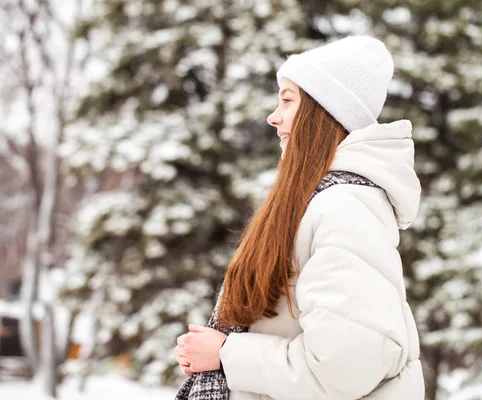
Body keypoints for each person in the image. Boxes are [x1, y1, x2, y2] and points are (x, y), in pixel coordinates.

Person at [174, 35, 424, 400]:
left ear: (323, 113)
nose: (273, 117)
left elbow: (348, 365)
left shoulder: (343, 207)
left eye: (288, 100)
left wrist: (227, 354)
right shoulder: (321, 202)